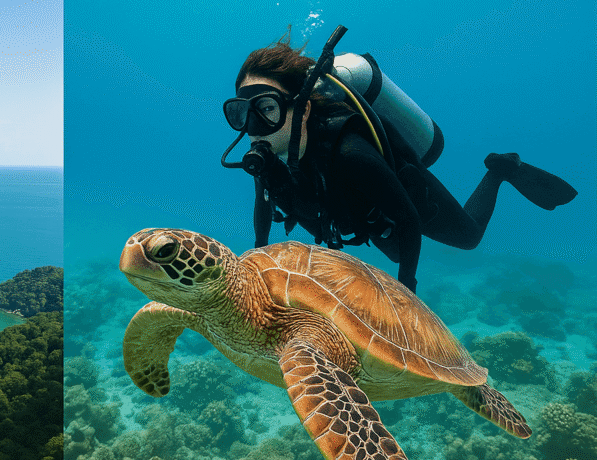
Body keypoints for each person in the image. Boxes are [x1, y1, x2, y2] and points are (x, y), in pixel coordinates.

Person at [223, 31, 577, 293]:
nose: (253, 128)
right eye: (242, 113)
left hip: (403, 191)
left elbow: (407, 216)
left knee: (468, 238)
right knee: (394, 251)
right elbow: (264, 205)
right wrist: (256, 264)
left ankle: (500, 170)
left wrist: (407, 290)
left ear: (302, 110)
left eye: (267, 109)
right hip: (364, 211)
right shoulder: (267, 154)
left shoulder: (349, 152)